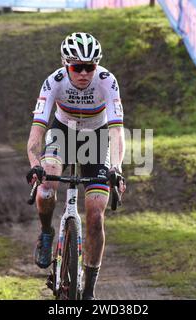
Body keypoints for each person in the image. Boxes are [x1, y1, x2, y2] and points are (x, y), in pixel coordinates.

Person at [26, 32, 126, 300]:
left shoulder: (107, 81)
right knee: (46, 187)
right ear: (64, 64)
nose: (83, 73)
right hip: (62, 134)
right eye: (76, 67)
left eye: (89, 67)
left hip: (97, 136)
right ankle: (46, 232)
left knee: (95, 215)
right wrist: (36, 164)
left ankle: (89, 292)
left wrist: (116, 167)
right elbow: (37, 132)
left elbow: (116, 132)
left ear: (97, 66)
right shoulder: (53, 83)